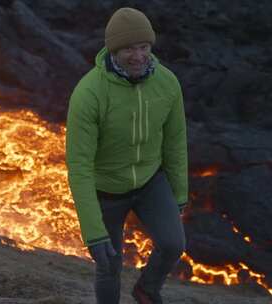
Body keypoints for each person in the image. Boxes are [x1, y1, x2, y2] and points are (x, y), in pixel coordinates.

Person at [66, 7, 188, 304]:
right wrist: (93, 233)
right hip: (105, 189)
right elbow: (79, 166)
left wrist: (179, 194)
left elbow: (175, 141)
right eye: (129, 49)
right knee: (108, 266)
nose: (138, 56)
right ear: (113, 51)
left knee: (173, 245)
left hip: (150, 181)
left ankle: (146, 290)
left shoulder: (167, 82)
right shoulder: (89, 93)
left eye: (144, 47)